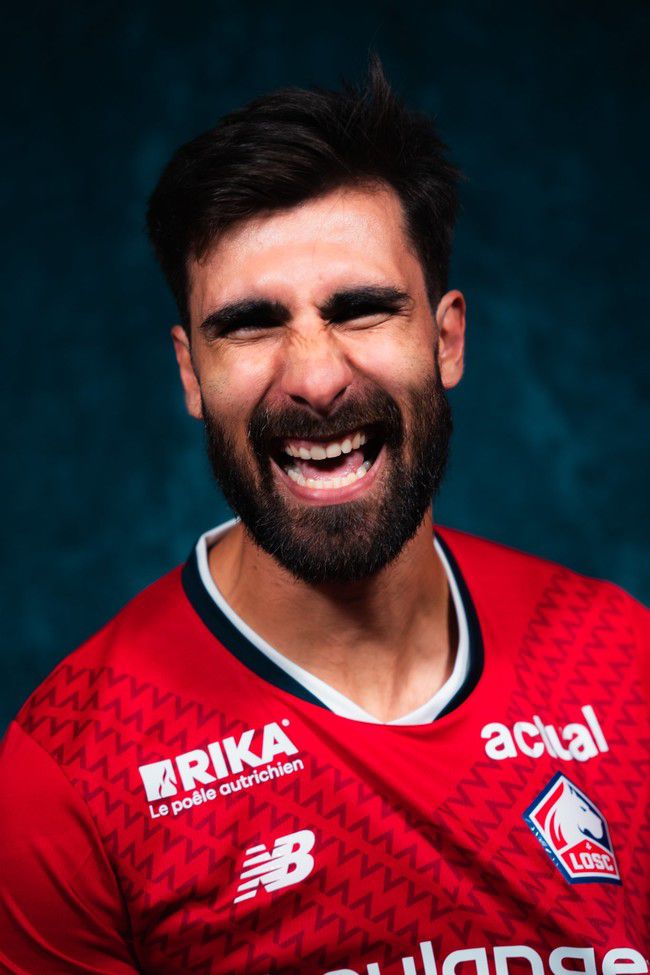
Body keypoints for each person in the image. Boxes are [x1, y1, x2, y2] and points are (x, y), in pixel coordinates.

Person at [0, 58, 647, 975]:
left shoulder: (621, 665)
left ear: (446, 339)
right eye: (250, 324)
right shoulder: (71, 769)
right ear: (190, 373)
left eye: (362, 310)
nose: (314, 377)